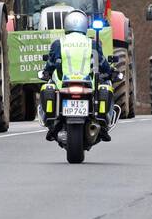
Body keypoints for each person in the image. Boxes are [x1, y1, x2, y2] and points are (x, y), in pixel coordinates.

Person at [39, 9, 119, 142]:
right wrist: (112, 72)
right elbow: (103, 64)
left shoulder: (58, 43)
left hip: (64, 84)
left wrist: (45, 72)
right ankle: (103, 127)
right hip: (87, 84)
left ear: (66, 25)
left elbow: (50, 64)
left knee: (48, 86)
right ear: (84, 25)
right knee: (105, 87)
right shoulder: (92, 43)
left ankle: (52, 126)